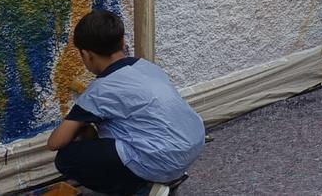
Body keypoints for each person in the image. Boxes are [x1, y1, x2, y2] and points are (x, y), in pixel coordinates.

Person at [47, 11, 205, 195]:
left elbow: (55, 142)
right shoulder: (146, 66)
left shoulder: (99, 91)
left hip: (164, 157)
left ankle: (144, 189)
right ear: (122, 42)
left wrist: (82, 122)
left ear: (86, 55)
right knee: (117, 128)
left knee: (67, 158)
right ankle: (167, 176)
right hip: (193, 141)